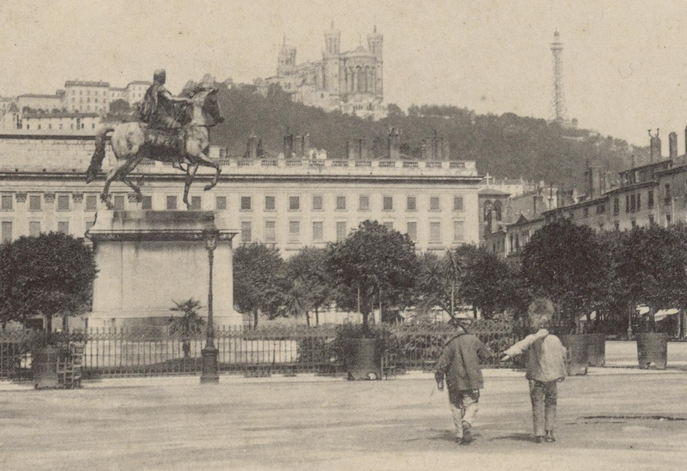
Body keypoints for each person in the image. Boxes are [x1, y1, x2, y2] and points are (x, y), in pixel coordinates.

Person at [500, 298, 567, 444]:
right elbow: (562, 356)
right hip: (552, 378)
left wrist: (507, 354)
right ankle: (549, 432)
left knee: (537, 405)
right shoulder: (555, 340)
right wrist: (562, 374)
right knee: (551, 404)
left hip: (536, 378)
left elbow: (521, 346)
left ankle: (539, 434)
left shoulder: (532, 338)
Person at [434, 320, 492, 445]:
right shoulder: (474, 340)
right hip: (471, 380)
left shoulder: (450, 343)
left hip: (453, 380)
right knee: (472, 404)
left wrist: (439, 378)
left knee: (455, 406)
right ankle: (467, 421)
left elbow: (442, 364)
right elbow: (486, 355)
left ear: (456, 329)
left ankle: (459, 434)